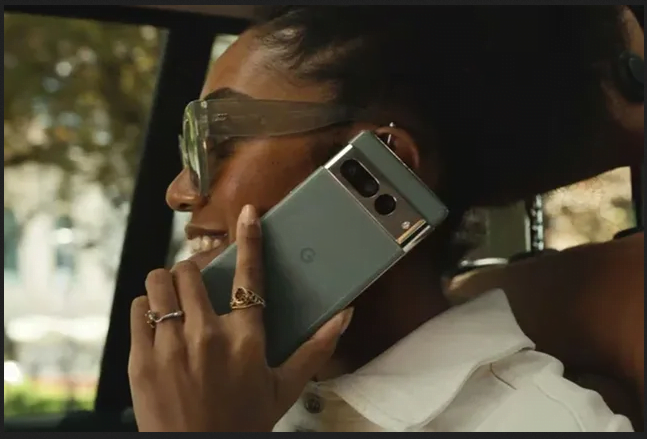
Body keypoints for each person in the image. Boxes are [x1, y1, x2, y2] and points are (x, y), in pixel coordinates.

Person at [127, 6, 642, 432]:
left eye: (219, 141)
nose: (178, 192)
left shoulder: (550, 423)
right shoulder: (228, 395)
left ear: (385, 166)